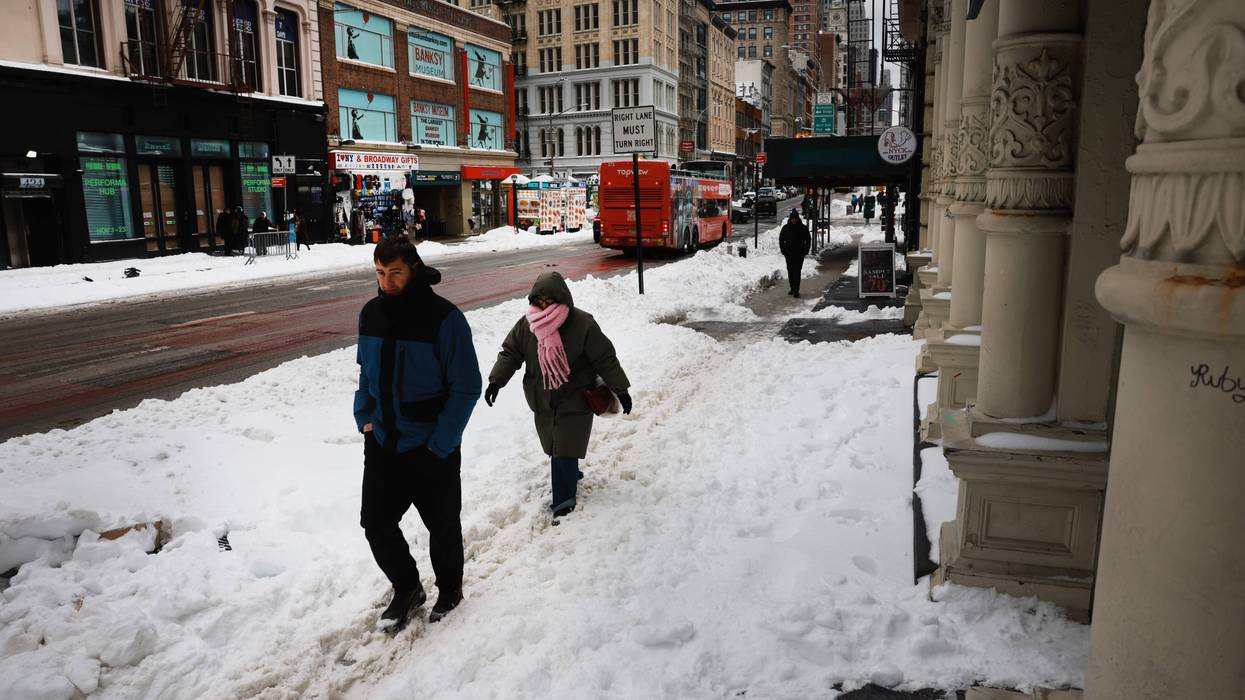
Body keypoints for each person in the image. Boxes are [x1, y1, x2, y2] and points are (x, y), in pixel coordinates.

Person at [354, 236, 482, 628]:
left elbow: (466, 386)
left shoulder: (445, 319)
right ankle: (408, 587)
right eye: (380, 273)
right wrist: (364, 416)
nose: (387, 282)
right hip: (384, 442)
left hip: (431, 446)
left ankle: (450, 591)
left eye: (395, 273)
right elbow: (365, 373)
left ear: (414, 270)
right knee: (375, 523)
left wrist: (441, 444)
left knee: (442, 526)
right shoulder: (370, 314)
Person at [484, 272, 631, 518]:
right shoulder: (527, 324)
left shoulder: (582, 323)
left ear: (562, 298)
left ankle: (564, 502)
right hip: (541, 398)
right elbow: (510, 353)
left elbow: (605, 358)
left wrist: (621, 389)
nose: (543, 305)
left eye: (548, 300)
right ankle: (570, 473)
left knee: (563, 448)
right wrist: (496, 381)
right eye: (538, 300)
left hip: (575, 396)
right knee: (555, 445)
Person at [779, 210, 812, 298]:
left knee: (797, 271)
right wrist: (783, 250)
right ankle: (792, 288)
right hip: (788, 253)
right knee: (790, 270)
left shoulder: (803, 228)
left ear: (797, 219)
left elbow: (808, 240)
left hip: (799, 253)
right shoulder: (785, 228)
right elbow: (781, 239)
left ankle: (796, 289)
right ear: (790, 219)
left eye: (795, 218)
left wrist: (805, 250)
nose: (794, 220)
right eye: (792, 219)